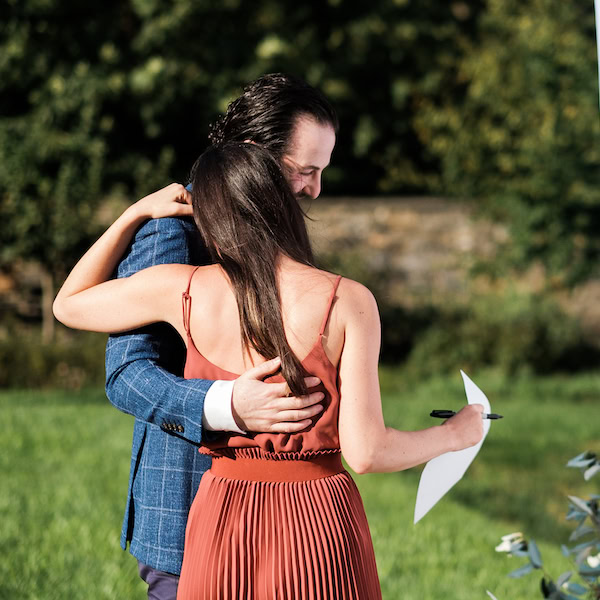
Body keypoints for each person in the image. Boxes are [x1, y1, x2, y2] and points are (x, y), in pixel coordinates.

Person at [54, 142, 486, 598]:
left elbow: (68, 304)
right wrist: (454, 434)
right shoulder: (348, 300)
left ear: (211, 221)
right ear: (283, 204)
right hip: (317, 520)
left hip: (218, 516)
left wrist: (134, 214)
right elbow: (367, 453)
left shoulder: (182, 289)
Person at [102, 74, 345, 599]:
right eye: (305, 170)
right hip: (188, 514)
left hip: (281, 523)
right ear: (256, 154)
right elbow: (126, 374)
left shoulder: (276, 232)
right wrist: (228, 405)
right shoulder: (173, 227)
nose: (315, 189)